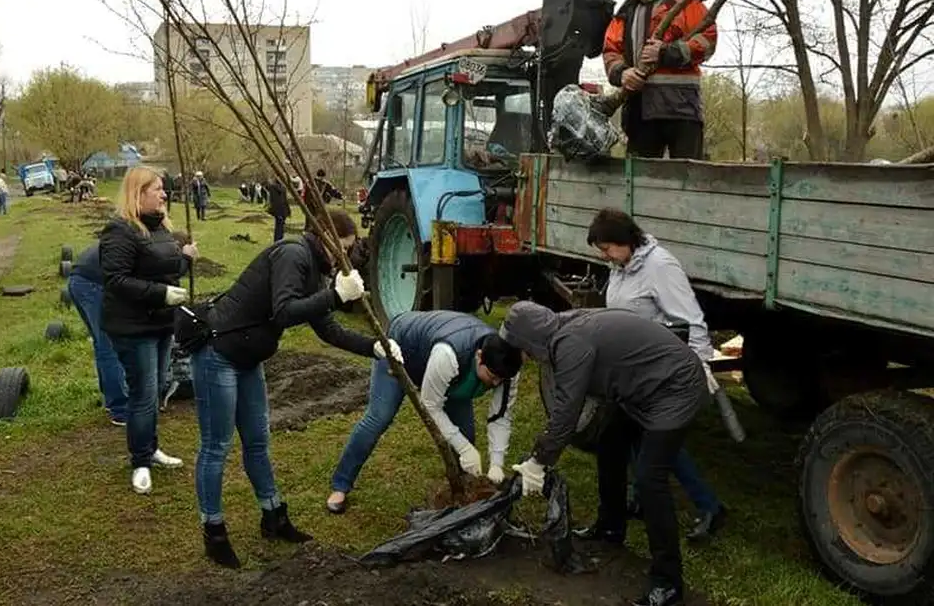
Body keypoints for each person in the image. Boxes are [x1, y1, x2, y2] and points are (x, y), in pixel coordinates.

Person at [190, 208, 401, 568]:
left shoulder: (314, 271)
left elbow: (328, 330)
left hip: (248, 360)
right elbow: (285, 312)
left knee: (257, 442)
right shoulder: (292, 253)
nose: (346, 258)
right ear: (325, 239)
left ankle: (274, 516)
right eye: (344, 248)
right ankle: (214, 531)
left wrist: (374, 348)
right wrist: (335, 296)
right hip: (218, 354)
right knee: (217, 447)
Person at [500, 301, 708, 606]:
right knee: (611, 442)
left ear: (530, 340)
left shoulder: (570, 343)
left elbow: (566, 413)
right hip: (642, 389)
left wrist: (538, 462)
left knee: (651, 480)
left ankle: (668, 582)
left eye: (522, 347)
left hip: (676, 388)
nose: (526, 356)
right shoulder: (566, 326)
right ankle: (611, 526)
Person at [587, 207, 728, 542]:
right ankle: (638, 499)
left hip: (662, 373)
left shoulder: (660, 266)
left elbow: (691, 320)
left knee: (658, 444)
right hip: (631, 370)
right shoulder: (621, 267)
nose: (605, 256)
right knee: (633, 437)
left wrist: (697, 367)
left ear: (624, 240)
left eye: (607, 248)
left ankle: (710, 506)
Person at [326, 310, 523, 514]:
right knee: (379, 417)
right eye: (492, 376)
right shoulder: (449, 354)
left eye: (501, 379)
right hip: (402, 348)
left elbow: (501, 415)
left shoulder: (507, 367)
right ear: (479, 357)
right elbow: (431, 406)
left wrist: (497, 463)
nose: (496, 383)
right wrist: (464, 448)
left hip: (449, 371)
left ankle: (463, 492)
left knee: (465, 435)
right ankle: (341, 485)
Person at [99, 166, 200, 495]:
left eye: (162, 188)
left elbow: (167, 270)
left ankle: (151, 448)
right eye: (156, 188)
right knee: (143, 393)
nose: (164, 193)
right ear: (137, 193)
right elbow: (117, 280)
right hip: (132, 326)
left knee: (155, 389)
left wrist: (186, 258)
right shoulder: (120, 231)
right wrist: (160, 294)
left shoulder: (160, 229)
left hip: (160, 323)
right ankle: (140, 460)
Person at [601, 0, 717, 159]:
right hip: (639, 114)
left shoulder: (686, 2)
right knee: (639, 184)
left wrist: (666, 52)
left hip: (682, 110)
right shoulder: (625, 14)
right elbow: (610, 51)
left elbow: (708, 41)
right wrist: (622, 73)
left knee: (688, 181)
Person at [68, 243, 129, 426]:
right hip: (93, 284)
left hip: (80, 279)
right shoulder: (149, 248)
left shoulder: (131, 236)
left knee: (102, 345)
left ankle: (111, 400)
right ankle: (121, 409)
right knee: (109, 345)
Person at [266, 176, 291, 242]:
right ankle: (280, 239)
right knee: (281, 226)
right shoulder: (283, 188)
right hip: (283, 209)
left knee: (278, 226)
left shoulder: (272, 188)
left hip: (277, 210)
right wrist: (288, 211)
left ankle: (277, 240)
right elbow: (285, 200)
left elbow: (273, 200)